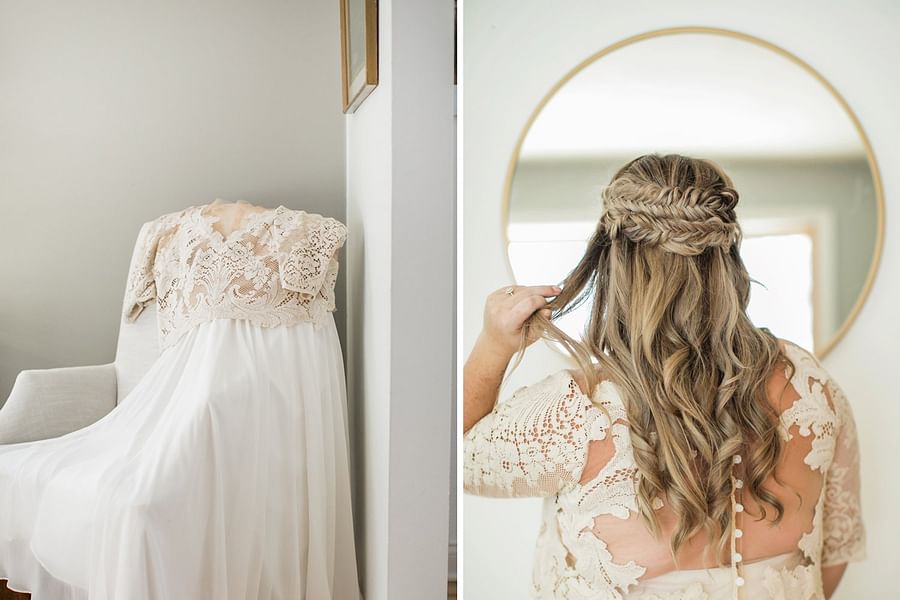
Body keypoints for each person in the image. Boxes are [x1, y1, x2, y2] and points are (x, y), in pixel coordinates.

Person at [463, 154, 865, 599]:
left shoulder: (581, 412)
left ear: (615, 264)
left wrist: (492, 344)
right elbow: (831, 556)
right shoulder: (810, 388)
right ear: (728, 257)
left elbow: (456, 457)